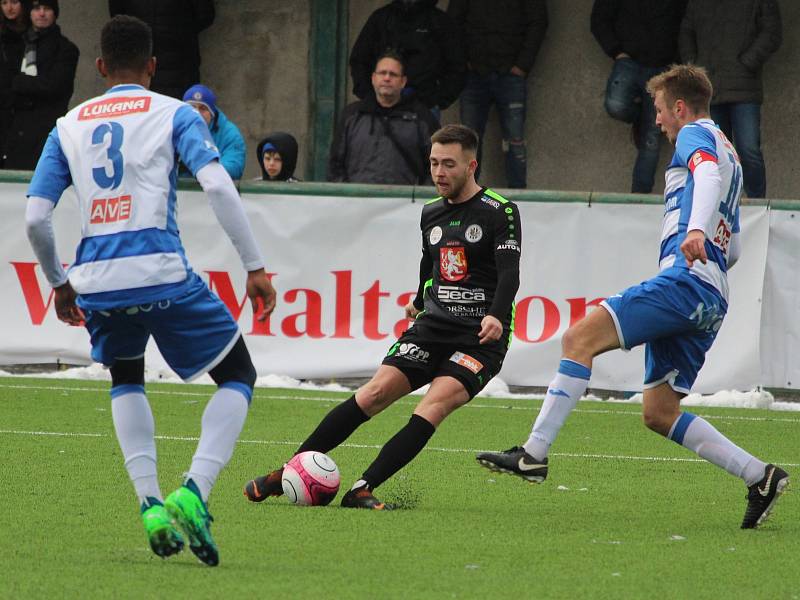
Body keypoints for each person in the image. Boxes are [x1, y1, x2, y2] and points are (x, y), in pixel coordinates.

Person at [476, 64, 788, 530]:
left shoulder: (694, 137)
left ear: (680, 108)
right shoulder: (733, 156)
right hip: (713, 295)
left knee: (579, 338)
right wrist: (708, 246)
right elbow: (736, 245)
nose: (658, 120)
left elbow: (702, 179)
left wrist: (695, 230)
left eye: (660, 110)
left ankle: (533, 454)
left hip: (686, 282)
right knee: (659, 413)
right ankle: (759, 476)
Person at [24, 15, 276, 565]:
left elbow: (36, 218)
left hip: (96, 283)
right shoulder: (174, 112)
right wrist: (254, 266)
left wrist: (60, 284)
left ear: (99, 67)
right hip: (161, 272)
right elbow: (216, 183)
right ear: (153, 66)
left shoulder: (67, 125)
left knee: (126, 376)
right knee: (238, 375)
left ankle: (150, 504)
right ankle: (195, 491)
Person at [245, 124, 522, 509]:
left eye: (449, 164)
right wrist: (417, 300)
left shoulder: (500, 211)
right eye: (433, 163)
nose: (439, 172)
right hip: (433, 326)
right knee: (372, 394)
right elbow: (432, 268)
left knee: (433, 404)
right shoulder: (431, 214)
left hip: (481, 337)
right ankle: (286, 472)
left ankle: (362, 488)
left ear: (471, 165)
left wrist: (494, 315)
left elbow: (509, 273)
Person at [679, 0, 782, 199]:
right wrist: (694, 67)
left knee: (749, 150)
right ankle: (719, 204)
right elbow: (686, 31)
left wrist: (747, 62)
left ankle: (756, 204)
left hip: (743, 85)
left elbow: (772, 32)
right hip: (709, 87)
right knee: (715, 153)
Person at [447, 0, 548, 189]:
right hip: (474, 74)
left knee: (515, 140)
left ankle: (519, 199)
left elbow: (538, 22)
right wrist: (464, 62)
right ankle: (466, 197)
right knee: (469, 140)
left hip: (511, 73)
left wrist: (522, 65)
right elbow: (452, 23)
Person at [590, 0, 687, 194]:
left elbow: (687, 23)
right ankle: (642, 116)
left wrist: (677, 62)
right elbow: (599, 20)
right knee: (615, 105)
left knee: (651, 139)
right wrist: (616, 51)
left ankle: (639, 199)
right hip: (629, 61)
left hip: (664, 67)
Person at [329, 51, 439, 185]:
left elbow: (436, 167)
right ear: (373, 78)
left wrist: (417, 200)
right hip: (356, 202)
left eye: (393, 74)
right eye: (382, 73)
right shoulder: (352, 115)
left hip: (406, 203)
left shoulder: (422, 118)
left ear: (403, 82)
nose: (387, 78)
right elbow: (335, 165)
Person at [349, 0, 465, 119]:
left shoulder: (439, 21)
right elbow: (359, 60)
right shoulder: (381, 18)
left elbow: (456, 65)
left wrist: (438, 99)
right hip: (382, 107)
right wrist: (370, 96)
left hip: (424, 106)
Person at [3, 0, 77, 170]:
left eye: (47, 9)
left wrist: (19, 82)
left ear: (55, 13)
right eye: (37, 8)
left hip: (46, 130)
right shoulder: (16, 45)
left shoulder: (66, 48)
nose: (42, 13)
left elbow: (55, 87)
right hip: (14, 132)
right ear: (29, 12)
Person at [109, 0, 215, 99]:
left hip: (139, 62)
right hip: (180, 61)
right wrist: (181, 30)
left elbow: (117, 17)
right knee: (180, 113)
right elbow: (205, 15)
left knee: (140, 111)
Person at [182, 84, 246, 181]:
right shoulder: (174, 128)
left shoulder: (230, 133)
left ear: (212, 113)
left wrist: (200, 165)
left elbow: (234, 167)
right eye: (192, 107)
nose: (197, 113)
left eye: (203, 109)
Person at [0, 0, 30, 167]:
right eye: (4, 3)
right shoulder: (3, 36)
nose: (9, 8)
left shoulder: (33, 36)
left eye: (14, 2)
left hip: (26, 109)